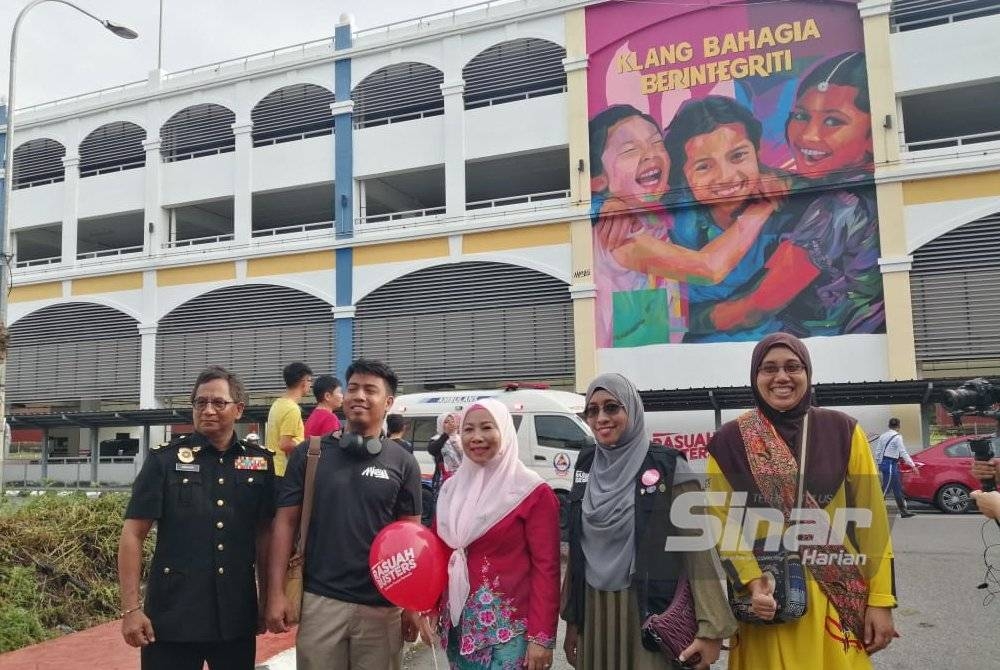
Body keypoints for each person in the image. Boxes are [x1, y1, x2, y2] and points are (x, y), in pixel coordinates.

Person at [706, 333, 897, 669]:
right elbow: (721, 520)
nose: (781, 377)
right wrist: (753, 583)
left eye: (792, 367)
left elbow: (874, 522)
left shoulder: (843, 431)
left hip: (835, 598)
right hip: (768, 599)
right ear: (755, 377)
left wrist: (880, 601)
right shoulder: (729, 441)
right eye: (769, 369)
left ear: (807, 373)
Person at [699, 54, 884, 338]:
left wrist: (685, 319)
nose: (808, 135)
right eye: (800, 116)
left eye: (833, 121)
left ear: (872, 136)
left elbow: (755, 307)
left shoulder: (841, 206)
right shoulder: (862, 186)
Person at [562, 373, 736, 670]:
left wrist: (710, 629)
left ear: (633, 409)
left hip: (646, 611)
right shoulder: (587, 463)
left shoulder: (669, 467)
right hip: (595, 611)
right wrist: (573, 623)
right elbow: (579, 548)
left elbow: (699, 553)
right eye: (592, 410)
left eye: (612, 407)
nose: (601, 417)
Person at [266, 358, 423, 670]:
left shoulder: (403, 463)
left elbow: (412, 539)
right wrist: (275, 594)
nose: (359, 396)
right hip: (320, 601)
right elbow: (284, 524)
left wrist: (411, 606)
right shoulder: (310, 454)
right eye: (352, 388)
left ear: (388, 401)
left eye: (370, 390)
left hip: (382, 608)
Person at [117, 366, 275, 670]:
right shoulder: (164, 461)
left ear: (239, 409)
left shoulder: (259, 463)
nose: (208, 410)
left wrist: (268, 597)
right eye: (200, 403)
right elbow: (132, 534)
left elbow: (266, 535)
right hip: (172, 616)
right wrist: (130, 609)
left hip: (235, 615)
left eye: (218, 402)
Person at [588, 104, 777, 347]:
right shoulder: (619, 232)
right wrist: (761, 208)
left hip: (650, 353)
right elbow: (708, 269)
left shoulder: (652, 216)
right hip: (627, 365)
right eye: (630, 150)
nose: (650, 154)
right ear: (598, 180)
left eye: (657, 143)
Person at [426, 398, 560, 669]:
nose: (477, 437)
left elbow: (547, 569)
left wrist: (541, 638)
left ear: (505, 431)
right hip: (459, 628)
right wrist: (430, 606)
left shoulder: (532, 492)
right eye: (468, 429)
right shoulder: (452, 490)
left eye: (487, 428)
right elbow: (437, 553)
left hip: (510, 636)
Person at [660, 96, 798, 342]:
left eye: (738, 156)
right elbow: (662, 319)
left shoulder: (794, 203)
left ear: (757, 153)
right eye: (703, 166)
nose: (726, 177)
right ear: (684, 175)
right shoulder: (669, 223)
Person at [265, 361, 313, 476]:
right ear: (303, 381)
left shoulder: (277, 404)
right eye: (310, 380)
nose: (311, 384)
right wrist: (307, 445)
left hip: (272, 467)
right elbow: (284, 444)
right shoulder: (292, 409)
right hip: (284, 470)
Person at [873, 418, 918, 518]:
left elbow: (878, 451)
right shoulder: (898, 437)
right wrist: (913, 465)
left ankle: (903, 511)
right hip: (890, 464)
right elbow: (903, 452)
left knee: (897, 488)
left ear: (889, 425)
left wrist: (879, 463)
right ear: (899, 426)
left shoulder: (883, 436)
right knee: (886, 488)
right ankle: (875, 510)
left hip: (887, 463)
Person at [428, 411, 463, 488]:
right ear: (440, 425)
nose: (451, 424)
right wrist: (446, 435)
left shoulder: (461, 438)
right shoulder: (436, 439)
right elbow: (432, 450)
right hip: (444, 479)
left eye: (452, 421)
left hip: (463, 478)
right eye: (446, 422)